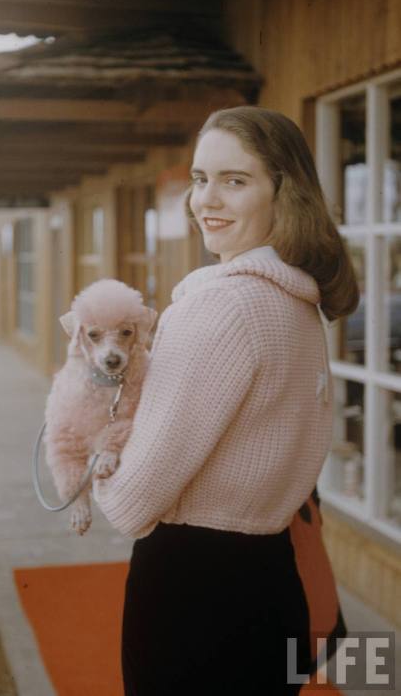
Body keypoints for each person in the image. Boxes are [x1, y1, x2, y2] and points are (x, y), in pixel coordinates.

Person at [92, 105, 358, 695]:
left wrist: (98, 460)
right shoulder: (299, 304)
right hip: (272, 581)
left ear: (281, 194)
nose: (206, 200)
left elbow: (132, 505)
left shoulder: (220, 306)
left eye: (234, 181)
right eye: (199, 178)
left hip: (193, 600)